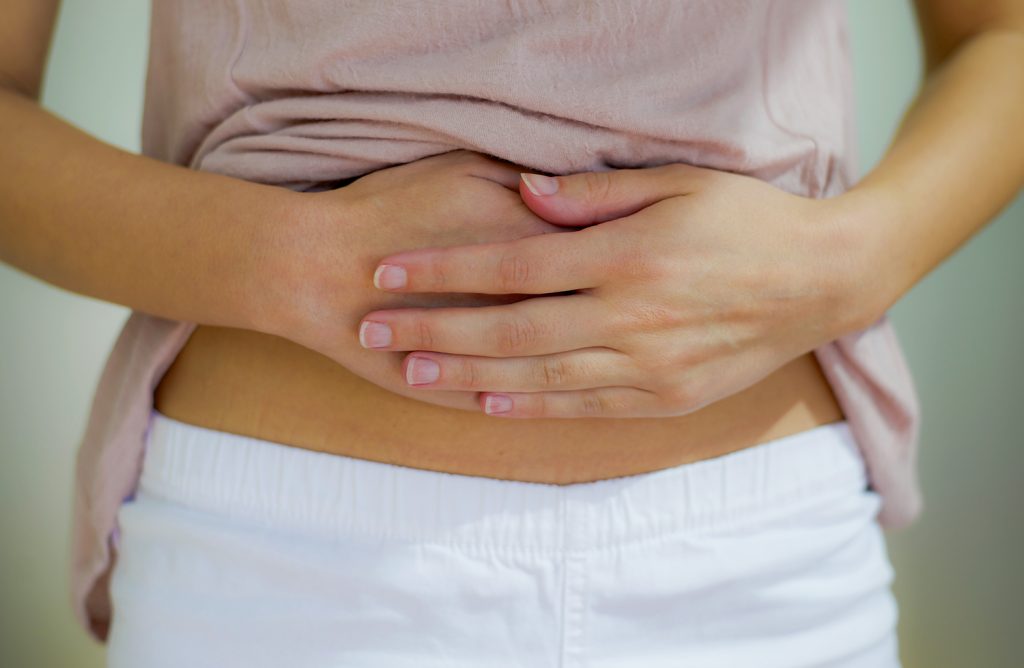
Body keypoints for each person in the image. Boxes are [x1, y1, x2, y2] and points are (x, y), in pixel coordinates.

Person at [1, 0, 1021, 665]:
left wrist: (841, 265)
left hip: (758, 570)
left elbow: (1000, 36)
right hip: (280, 570)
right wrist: (297, 259)